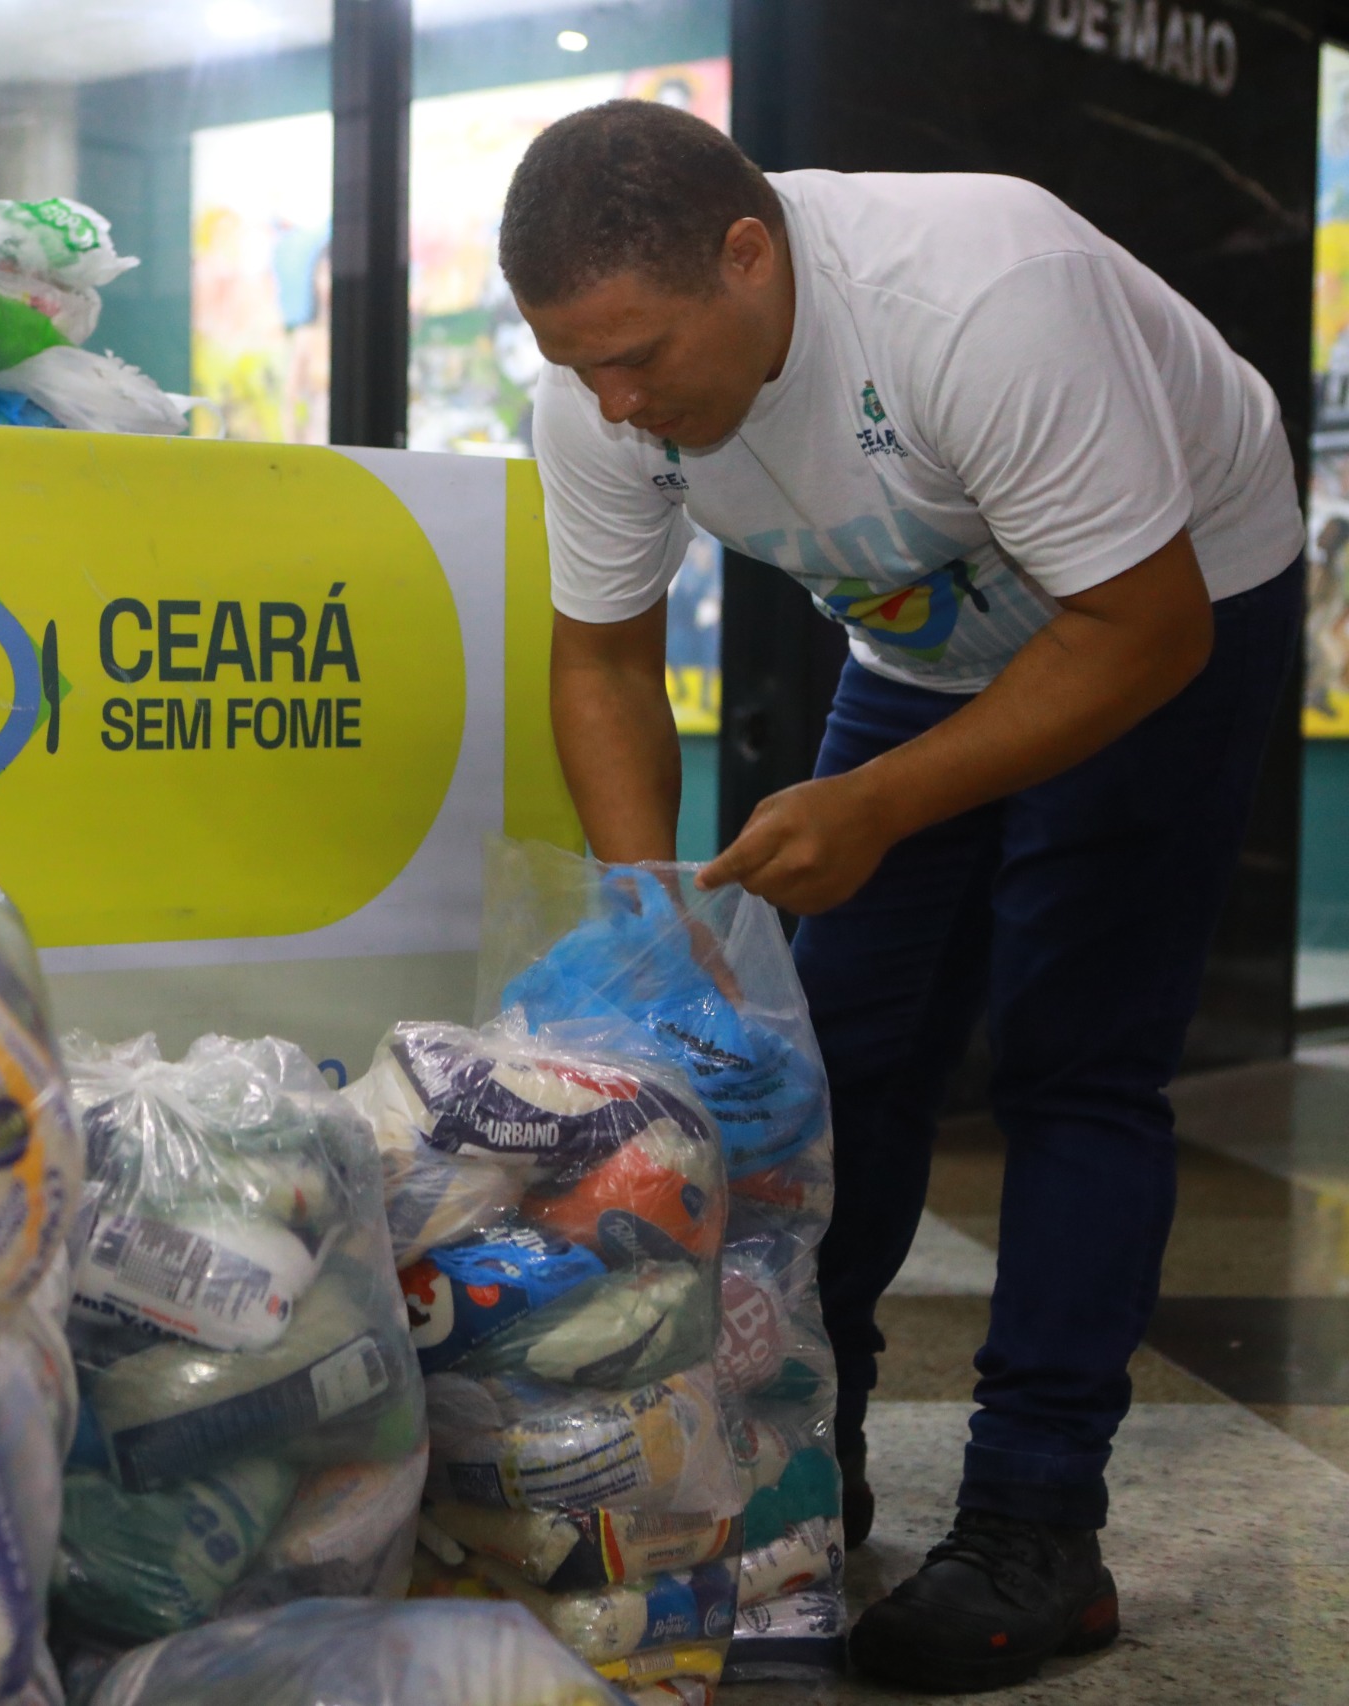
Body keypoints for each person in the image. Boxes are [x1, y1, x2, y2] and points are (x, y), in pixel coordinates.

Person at [497, 100, 1302, 1693]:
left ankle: (1035, 1522)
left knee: (1077, 1053)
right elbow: (605, 659)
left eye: (639, 357)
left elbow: (1142, 630)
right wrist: (655, 914)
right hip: (925, 642)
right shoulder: (599, 388)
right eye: (579, 366)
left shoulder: (977, 295)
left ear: (749, 256)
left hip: (1171, 595)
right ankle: (808, 1441)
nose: (615, 403)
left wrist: (877, 803)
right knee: (835, 1052)